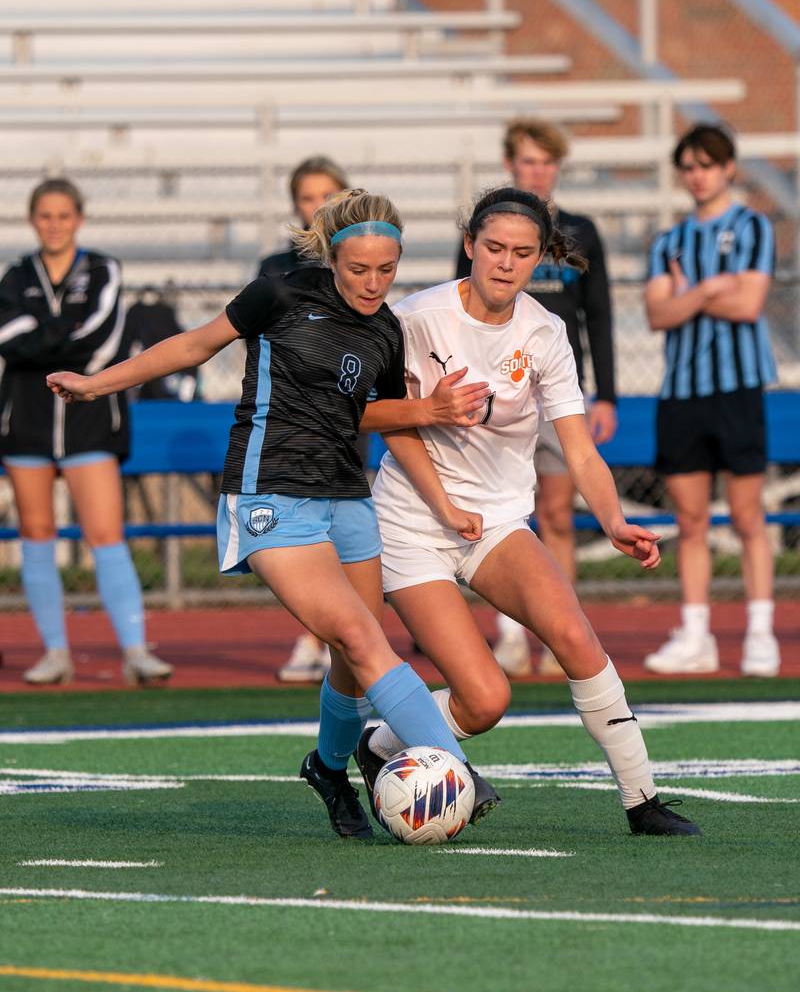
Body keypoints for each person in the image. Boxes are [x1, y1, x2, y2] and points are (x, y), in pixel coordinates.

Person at [47, 188, 497, 840]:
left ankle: (327, 766)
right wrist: (96, 384)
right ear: (332, 255)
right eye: (358, 268)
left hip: (345, 495)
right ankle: (457, 771)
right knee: (364, 639)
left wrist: (444, 502)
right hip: (268, 495)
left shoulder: (384, 328)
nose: (374, 283)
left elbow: (387, 422)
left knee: (356, 653)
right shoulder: (280, 294)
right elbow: (191, 346)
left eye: (387, 269)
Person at [357, 186, 701, 836]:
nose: (505, 263)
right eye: (493, 248)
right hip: (411, 523)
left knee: (574, 635)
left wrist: (612, 521)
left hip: (496, 524)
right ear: (469, 246)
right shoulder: (417, 318)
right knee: (485, 700)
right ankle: (376, 744)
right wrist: (440, 485)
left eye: (522, 252)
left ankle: (642, 800)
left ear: (540, 258)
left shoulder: (545, 333)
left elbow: (578, 448)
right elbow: (375, 417)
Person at [456, 120, 616, 677]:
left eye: (546, 162)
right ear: (512, 166)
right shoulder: (487, 230)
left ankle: (556, 636)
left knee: (556, 513)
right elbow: (462, 314)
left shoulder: (581, 231)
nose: (537, 171)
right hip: (494, 393)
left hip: (556, 392)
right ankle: (511, 636)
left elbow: (600, 315)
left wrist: (607, 394)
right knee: (501, 516)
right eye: (527, 161)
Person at [0, 178, 173, 686]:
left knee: (104, 534)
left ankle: (136, 650)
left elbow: (100, 338)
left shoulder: (104, 269)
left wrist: (42, 339)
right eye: (45, 215)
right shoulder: (14, 275)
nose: (54, 224)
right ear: (34, 220)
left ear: (79, 218)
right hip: (26, 421)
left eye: (63, 215)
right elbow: (7, 337)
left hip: (90, 419)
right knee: (36, 533)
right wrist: (55, 341)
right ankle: (55, 653)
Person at [642, 124, 779, 677]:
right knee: (691, 519)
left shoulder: (752, 226)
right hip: (681, 393)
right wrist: (705, 291)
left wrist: (685, 295)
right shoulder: (667, 241)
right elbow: (657, 315)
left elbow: (748, 305)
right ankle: (696, 633)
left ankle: (760, 632)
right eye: (689, 166)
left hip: (738, 389)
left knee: (747, 516)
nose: (697, 175)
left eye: (707, 164)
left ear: (728, 169)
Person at [259, 156, 350, 684]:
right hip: (290, 419)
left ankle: (336, 638)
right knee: (297, 534)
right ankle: (310, 635)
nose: (317, 207)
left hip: (342, 418)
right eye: (308, 197)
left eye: (328, 196)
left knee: (340, 531)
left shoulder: (357, 264)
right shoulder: (275, 267)